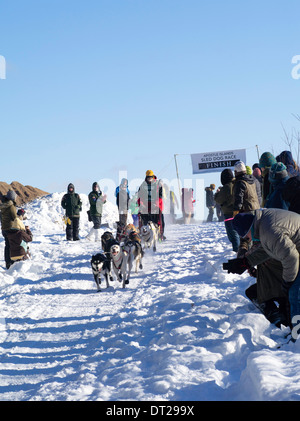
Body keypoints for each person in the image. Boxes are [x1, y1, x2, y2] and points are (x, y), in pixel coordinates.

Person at [224, 209, 300, 337]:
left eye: (246, 237)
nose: (247, 239)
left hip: (295, 255)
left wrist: (288, 282)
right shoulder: (263, 223)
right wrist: (246, 262)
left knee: (294, 294)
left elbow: (291, 258)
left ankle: (297, 335)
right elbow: (268, 248)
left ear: (248, 229)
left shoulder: (269, 230)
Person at [233, 161, 260, 257]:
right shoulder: (253, 180)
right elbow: (258, 196)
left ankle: (244, 258)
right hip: (257, 211)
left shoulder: (240, 182)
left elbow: (238, 199)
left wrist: (236, 212)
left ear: (236, 172)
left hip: (246, 212)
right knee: (256, 237)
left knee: (245, 237)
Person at [214, 169, 240, 252]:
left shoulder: (226, 187)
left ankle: (237, 252)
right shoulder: (237, 183)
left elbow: (218, 199)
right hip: (239, 212)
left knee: (233, 235)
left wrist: (218, 193)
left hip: (229, 214)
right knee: (239, 233)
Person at [0, 190, 18, 268]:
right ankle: (12, 261)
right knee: (12, 245)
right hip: (11, 228)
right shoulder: (11, 206)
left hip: (4, 228)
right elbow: (15, 218)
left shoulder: (3, 205)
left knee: (7, 245)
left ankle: (7, 262)